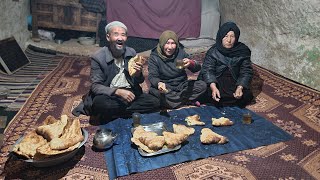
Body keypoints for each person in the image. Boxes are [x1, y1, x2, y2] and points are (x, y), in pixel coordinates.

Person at [72, 21, 160, 119]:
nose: (120, 38)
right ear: (108, 37)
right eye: (116, 34)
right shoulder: (98, 57)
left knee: (155, 102)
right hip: (110, 93)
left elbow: (140, 81)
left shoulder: (131, 52)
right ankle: (124, 112)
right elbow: (96, 87)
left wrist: (138, 73)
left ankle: (115, 113)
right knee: (101, 105)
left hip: (130, 91)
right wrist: (117, 91)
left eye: (123, 35)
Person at [198, 22, 254, 108]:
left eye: (232, 36)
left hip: (234, 80)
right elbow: (208, 71)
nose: (229, 40)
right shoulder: (213, 52)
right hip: (217, 79)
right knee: (203, 91)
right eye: (226, 36)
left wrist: (240, 87)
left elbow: (246, 71)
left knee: (246, 95)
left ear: (236, 37)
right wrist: (213, 87)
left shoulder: (243, 51)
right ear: (221, 37)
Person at [148, 30, 207, 109]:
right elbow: (152, 76)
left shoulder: (180, 53)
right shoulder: (154, 57)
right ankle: (185, 100)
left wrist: (191, 63)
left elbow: (197, 68)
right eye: (167, 43)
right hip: (166, 87)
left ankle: (175, 102)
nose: (170, 47)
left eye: (173, 43)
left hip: (181, 86)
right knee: (154, 94)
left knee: (202, 85)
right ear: (162, 43)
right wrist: (159, 83)